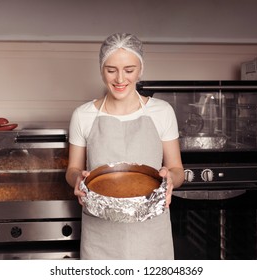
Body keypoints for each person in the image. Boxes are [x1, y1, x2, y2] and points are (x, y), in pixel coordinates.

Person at [66, 33, 184, 260]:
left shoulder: (162, 112)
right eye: (111, 70)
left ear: (141, 69)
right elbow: (72, 169)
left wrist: (170, 179)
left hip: (151, 236)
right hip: (100, 238)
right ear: (101, 70)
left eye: (129, 70)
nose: (120, 79)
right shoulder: (83, 116)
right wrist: (77, 180)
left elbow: (177, 170)